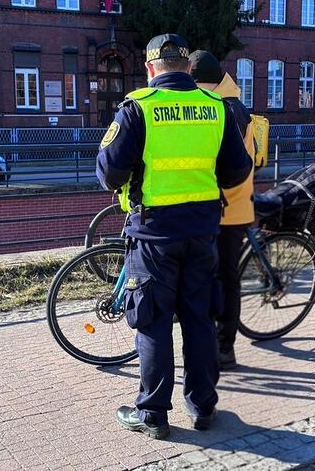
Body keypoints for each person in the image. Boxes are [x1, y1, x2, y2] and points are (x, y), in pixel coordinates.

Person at [96, 34, 252, 440]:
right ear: (187, 68)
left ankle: (152, 414)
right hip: (202, 232)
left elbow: (108, 172)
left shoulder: (138, 109)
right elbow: (238, 170)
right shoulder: (216, 108)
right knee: (199, 319)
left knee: (153, 322)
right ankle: (203, 406)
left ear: (150, 70)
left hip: (153, 236)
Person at [188, 50, 256, 371]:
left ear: (207, 83)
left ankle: (225, 346)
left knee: (227, 277)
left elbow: (234, 165)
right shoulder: (219, 104)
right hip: (215, 206)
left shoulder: (229, 109)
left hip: (231, 208)